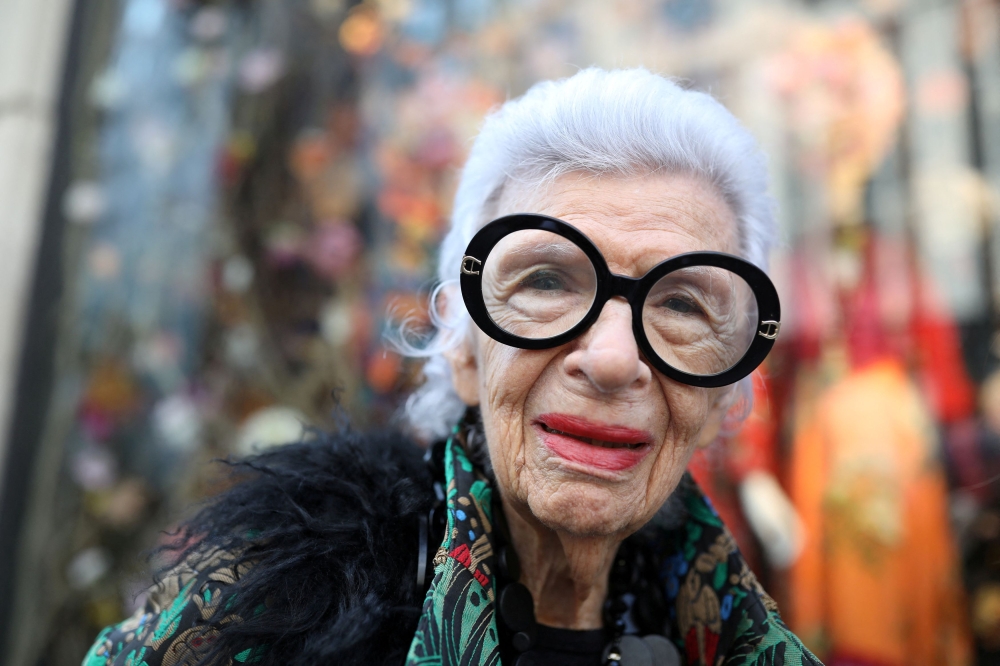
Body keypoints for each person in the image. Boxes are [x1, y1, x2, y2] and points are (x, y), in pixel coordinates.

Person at [83, 68, 821, 666]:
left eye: (682, 305)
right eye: (547, 281)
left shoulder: (736, 642)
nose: (611, 359)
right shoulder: (269, 616)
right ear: (462, 351)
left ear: (724, 395)